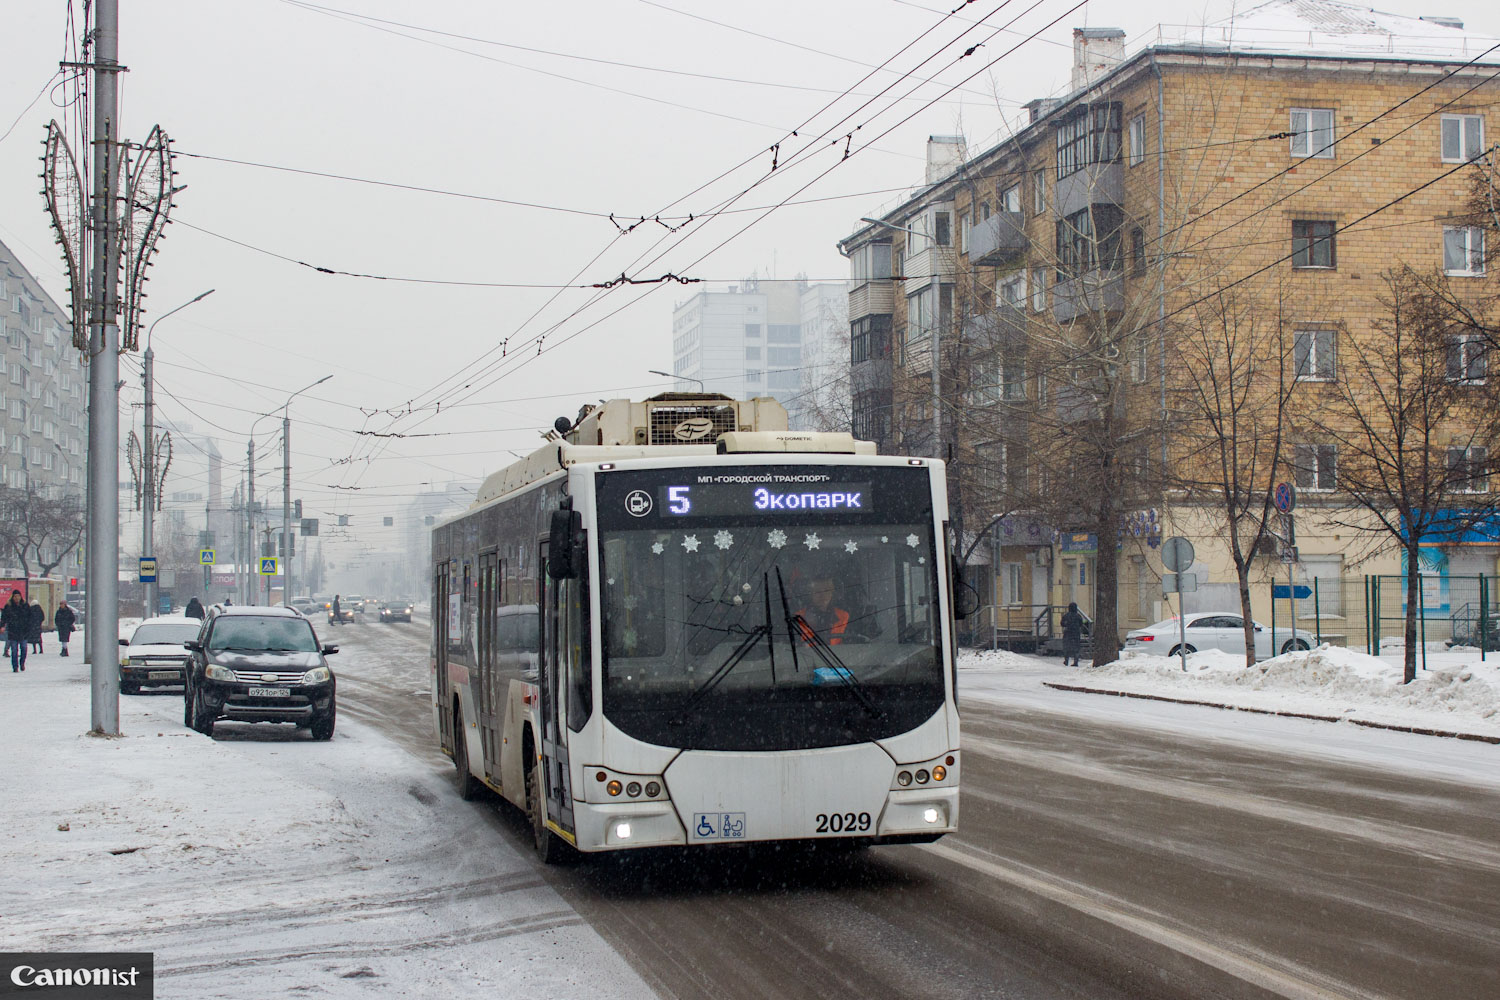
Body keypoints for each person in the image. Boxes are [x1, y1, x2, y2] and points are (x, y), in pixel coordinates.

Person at [796, 575, 849, 646]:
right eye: (817, 592)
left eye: (826, 590)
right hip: (807, 656)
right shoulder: (799, 618)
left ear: (832, 593)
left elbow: (849, 645)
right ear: (810, 594)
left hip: (836, 656)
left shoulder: (844, 616)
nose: (823, 595)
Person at [3, 590, 30, 672]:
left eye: (18, 596)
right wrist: (2, 626)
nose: (17, 598)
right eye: (15, 596)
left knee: (24, 649)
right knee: (14, 650)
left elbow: (30, 616)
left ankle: (22, 663)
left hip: (23, 631)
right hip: (13, 630)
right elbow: (4, 617)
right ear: (12, 597)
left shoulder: (25, 605)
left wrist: (29, 626)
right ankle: (15, 666)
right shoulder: (8, 606)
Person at [1060, 602, 1085, 667]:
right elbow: (1081, 624)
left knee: (1067, 647)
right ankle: (1076, 661)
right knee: (1076, 648)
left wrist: (1067, 624)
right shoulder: (1078, 616)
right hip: (1076, 633)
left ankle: (1066, 660)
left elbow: (1062, 624)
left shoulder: (1066, 616)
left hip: (1068, 633)